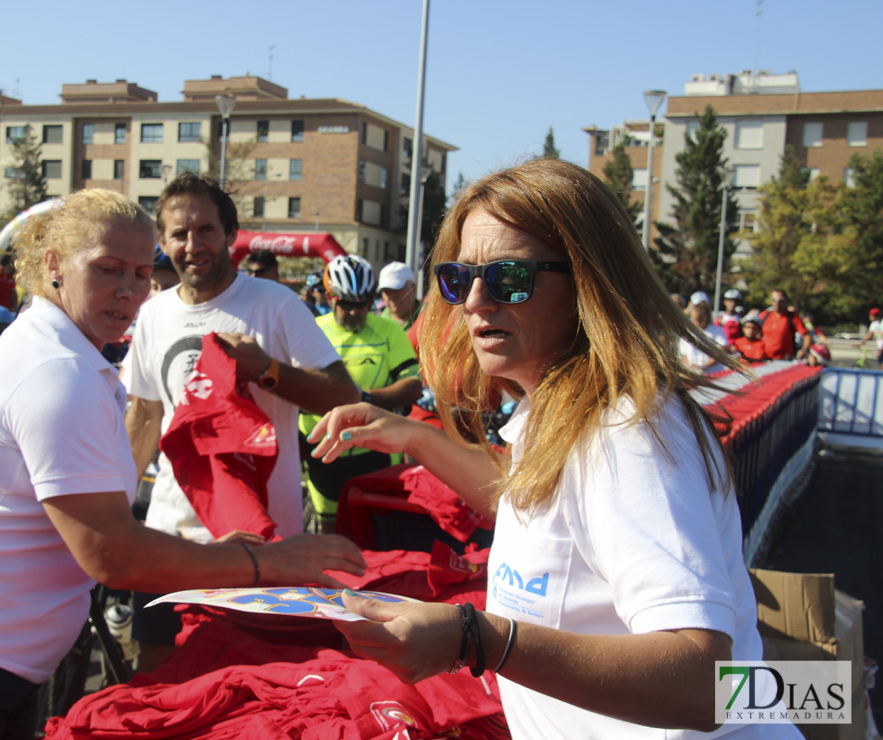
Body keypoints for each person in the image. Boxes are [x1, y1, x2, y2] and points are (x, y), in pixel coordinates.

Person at [0, 189, 365, 740]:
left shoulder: (70, 353)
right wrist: (262, 564)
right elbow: (112, 552)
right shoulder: (57, 369)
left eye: (141, 273)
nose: (128, 291)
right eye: (108, 269)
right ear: (52, 264)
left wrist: (221, 554)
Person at [309, 160, 795, 738]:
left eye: (509, 277)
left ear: (589, 282)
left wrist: (478, 638)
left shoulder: (627, 434)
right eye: (459, 279)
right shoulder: (561, 402)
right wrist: (410, 434)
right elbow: (531, 507)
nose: (475, 303)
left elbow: (706, 682)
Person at [122, 173, 359, 664]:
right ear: (162, 242)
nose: (193, 245)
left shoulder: (275, 305)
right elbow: (145, 417)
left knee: (251, 685)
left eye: (206, 230)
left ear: (230, 234)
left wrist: (267, 371)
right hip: (171, 538)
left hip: (263, 543)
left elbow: (341, 394)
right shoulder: (152, 314)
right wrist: (113, 506)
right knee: (160, 674)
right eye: (180, 234)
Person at [298, 254, 422, 530]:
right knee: (330, 535)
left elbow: (413, 385)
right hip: (322, 452)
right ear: (330, 298)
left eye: (363, 304)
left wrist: (362, 400)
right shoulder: (310, 331)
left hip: (375, 452)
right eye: (347, 304)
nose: (355, 312)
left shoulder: (387, 330)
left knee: (375, 534)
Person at [758, 289, 811, 361]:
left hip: (784, 359)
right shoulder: (765, 315)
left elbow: (806, 335)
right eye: (774, 300)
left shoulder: (792, 317)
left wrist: (804, 350)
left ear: (786, 301)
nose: (777, 303)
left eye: (781, 301)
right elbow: (754, 331)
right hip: (765, 358)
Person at [679, 300, 730, 375]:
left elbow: (721, 351)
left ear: (706, 317)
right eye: (695, 320)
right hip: (693, 373)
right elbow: (683, 353)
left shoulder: (717, 330)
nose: (698, 323)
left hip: (712, 373)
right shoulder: (688, 332)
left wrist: (703, 366)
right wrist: (688, 367)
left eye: (700, 320)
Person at [377, 261, 421, 330]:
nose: (391, 296)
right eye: (387, 291)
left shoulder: (429, 318)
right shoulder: (377, 325)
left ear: (413, 288)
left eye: (396, 290)